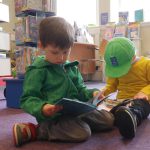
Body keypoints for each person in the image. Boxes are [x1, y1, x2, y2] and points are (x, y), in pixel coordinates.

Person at [12, 16, 114, 147]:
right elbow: (27, 99)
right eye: (55, 52)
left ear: (71, 46)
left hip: (74, 112)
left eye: (66, 52)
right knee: (83, 132)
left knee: (108, 120)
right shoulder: (38, 70)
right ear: (41, 46)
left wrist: (93, 94)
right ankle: (38, 131)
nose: (61, 57)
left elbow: (81, 90)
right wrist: (42, 108)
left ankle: (75, 124)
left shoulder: (70, 67)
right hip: (53, 118)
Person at [98, 37, 150, 139]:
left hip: (140, 100)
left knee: (138, 107)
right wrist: (103, 91)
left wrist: (145, 92)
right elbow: (111, 85)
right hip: (120, 101)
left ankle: (132, 118)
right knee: (108, 108)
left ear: (133, 56)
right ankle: (119, 117)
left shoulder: (146, 64)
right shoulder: (116, 67)